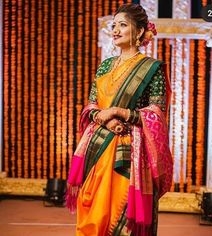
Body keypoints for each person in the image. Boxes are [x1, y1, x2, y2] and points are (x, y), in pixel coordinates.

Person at [66, 3, 173, 236]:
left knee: (122, 216)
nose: (115, 30)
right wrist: (105, 119)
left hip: (131, 155)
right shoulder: (105, 66)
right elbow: (91, 106)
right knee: (93, 212)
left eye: (122, 25)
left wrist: (120, 112)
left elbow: (157, 113)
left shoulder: (151, 68)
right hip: (98, 149)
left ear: (140, 31)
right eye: (114, 25)